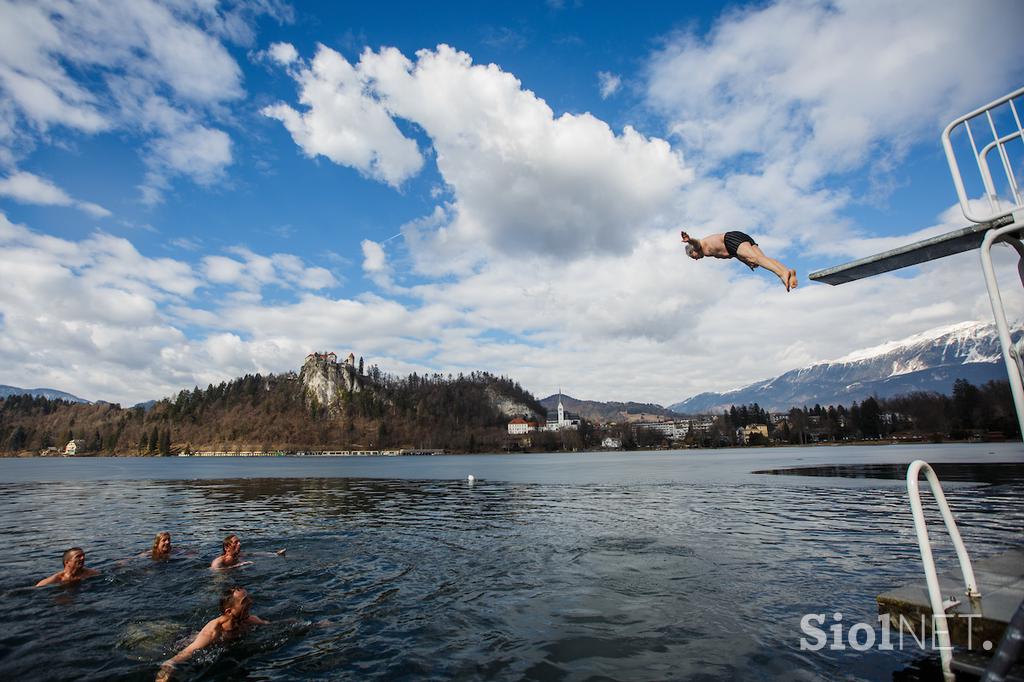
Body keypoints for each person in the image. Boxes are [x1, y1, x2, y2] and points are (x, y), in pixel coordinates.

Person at [156, 586, 268, 680]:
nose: (250, 602)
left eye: (248, 598)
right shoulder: (213, 632)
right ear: (229, 611)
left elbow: (273, 625)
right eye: (244, 601)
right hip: (184, 641)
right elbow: (183, 655)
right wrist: (165, 673)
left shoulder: (249, 621)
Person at [681, 229, 798, 291]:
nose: (696, 259)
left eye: (693, 256)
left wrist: (689, 239)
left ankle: (782, 273)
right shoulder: (708, 250)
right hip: (737, 238)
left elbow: (696, 243)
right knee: (761, 259)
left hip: (730, 239)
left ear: (693, 251)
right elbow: (734, 254)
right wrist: (746, 262)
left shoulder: (700, 246)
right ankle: (787, 271)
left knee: (757, 259)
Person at [210, 534, 285, 570]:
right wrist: (240, 565)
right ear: (227, 547)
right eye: (236, 542)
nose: (239, 544)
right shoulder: (219, 561)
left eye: (239, 542)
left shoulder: (239, 555)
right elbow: (217, 572)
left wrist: (275, 554)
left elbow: (255, 554)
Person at [35, 547, 101, 587]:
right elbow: (37, 588)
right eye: (78, 556)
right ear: (67, 562)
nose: (83, 558)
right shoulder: (56, 579)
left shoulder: (91, 573)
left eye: (83, 555)